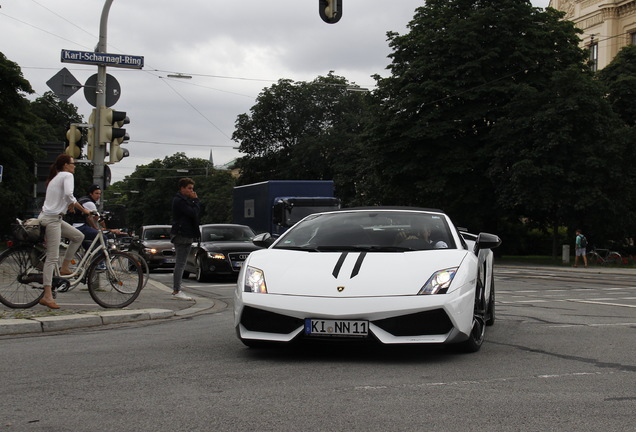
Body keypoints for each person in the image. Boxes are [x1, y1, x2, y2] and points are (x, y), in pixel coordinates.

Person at [38, 154, 92, 309]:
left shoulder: (56, 177)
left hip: (52, 218)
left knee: (78, 236)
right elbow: (69, 195)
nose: (74, 166)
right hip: (52, 220)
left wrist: (68, 205)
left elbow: (63, 197)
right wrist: (84, 210)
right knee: (52, 258)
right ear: (66, 165)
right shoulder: (67, 175)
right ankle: (47, 296)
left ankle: (65, 267)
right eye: (72, 163)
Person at [170, 178, 201, 300]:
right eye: (189, 188)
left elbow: (195, 212)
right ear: (182, 188)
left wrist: (194, 201)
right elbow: (193, 213)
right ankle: (176, 290)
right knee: (181, 263)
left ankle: (177, 289)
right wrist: (195, 200)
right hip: (182, 234)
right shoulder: (180, 201)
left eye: (192, 189)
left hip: (185, 234)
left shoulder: (183, 200)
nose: (191, 191)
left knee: (181, 263)